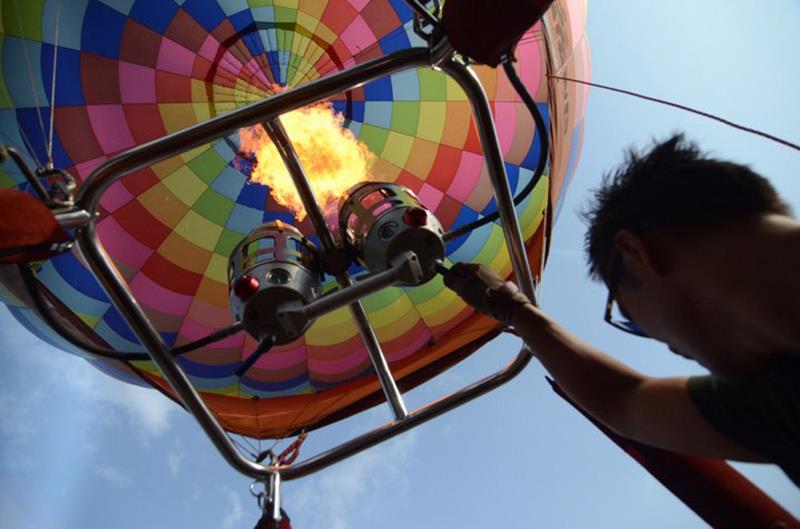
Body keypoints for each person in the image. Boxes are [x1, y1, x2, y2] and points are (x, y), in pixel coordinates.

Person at [443, 134, 800, 486]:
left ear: (634, 253)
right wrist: (512, 308)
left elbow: (625, 403)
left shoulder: (775, 409)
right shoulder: (773, 401)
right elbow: (624, 404)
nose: (673, 348)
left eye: (630, 320)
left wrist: (512, 309)